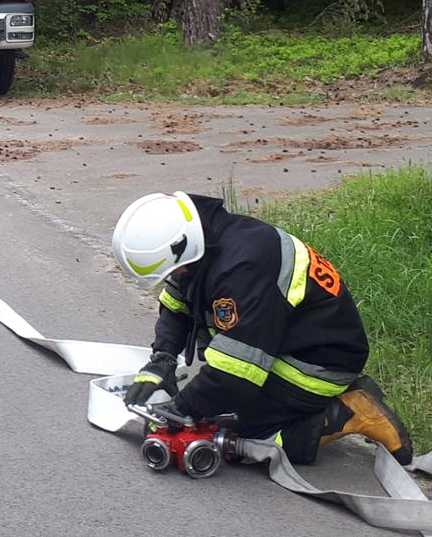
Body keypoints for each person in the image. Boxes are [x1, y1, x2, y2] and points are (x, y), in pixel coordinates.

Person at [113, 191, 413, 466]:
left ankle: (349, 412)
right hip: (283, 343)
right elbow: (177, 307)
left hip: (319, 363)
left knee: (227, 433)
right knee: (208, 410)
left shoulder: (243, 268)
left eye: (175, 270)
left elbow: (236, 375)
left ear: (183, 247)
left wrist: (181, 408)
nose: (176, 276)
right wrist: (162, 362)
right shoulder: (203, 246)